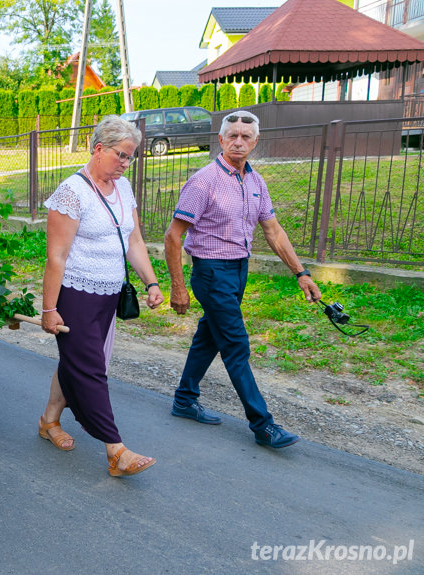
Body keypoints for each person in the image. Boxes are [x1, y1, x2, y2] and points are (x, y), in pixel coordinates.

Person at [164, 110, 322, 449]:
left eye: (245, 136)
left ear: (255, 142)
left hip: (238, 270)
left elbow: (273, 231)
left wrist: (301, 273)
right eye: (232, 135)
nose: (238, 141)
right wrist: (178, 286)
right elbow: (173, 236)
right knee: (236, 346)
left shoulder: (255, 182)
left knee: (210, 336)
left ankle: (184, 399)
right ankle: (263, 425)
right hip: (210, 272)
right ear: (220, 140)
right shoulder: (203, 181)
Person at [40, 116, 163, 477]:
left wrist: (151, 283)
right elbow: (55, 257)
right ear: (98, 149)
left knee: (77, 362)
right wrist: (49, 309)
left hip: (108, 297)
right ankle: (116, 450)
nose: (126, 164)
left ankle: (49, 421)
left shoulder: (123, 189)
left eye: (131, 158)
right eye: (122, 156)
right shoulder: (71, 192)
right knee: (91, 370)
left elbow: (134, 241)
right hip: (75, 297)